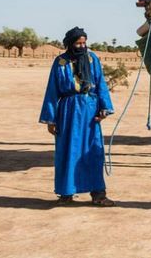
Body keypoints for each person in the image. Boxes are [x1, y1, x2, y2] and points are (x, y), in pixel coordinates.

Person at [39, 27, 115, 206]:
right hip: (67, 112)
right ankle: (66, 193)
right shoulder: (60, 62)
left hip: (89, 111)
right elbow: (52, 90)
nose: (82, 46)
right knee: (67, 152)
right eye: (78, 43)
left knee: (93, 151)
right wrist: (50, 119)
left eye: (84, 42)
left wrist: (104, 108)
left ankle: (98, 194)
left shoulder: (92, 58)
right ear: (70, 44)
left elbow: (100, 83)